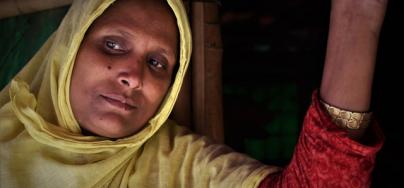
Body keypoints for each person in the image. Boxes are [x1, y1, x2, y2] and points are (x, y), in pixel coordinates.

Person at [0, 0, 387, 187]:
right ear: (67, 52)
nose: (132, 77)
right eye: (113, 46)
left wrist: (358, 19)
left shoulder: (182, 167)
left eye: (157, 64)